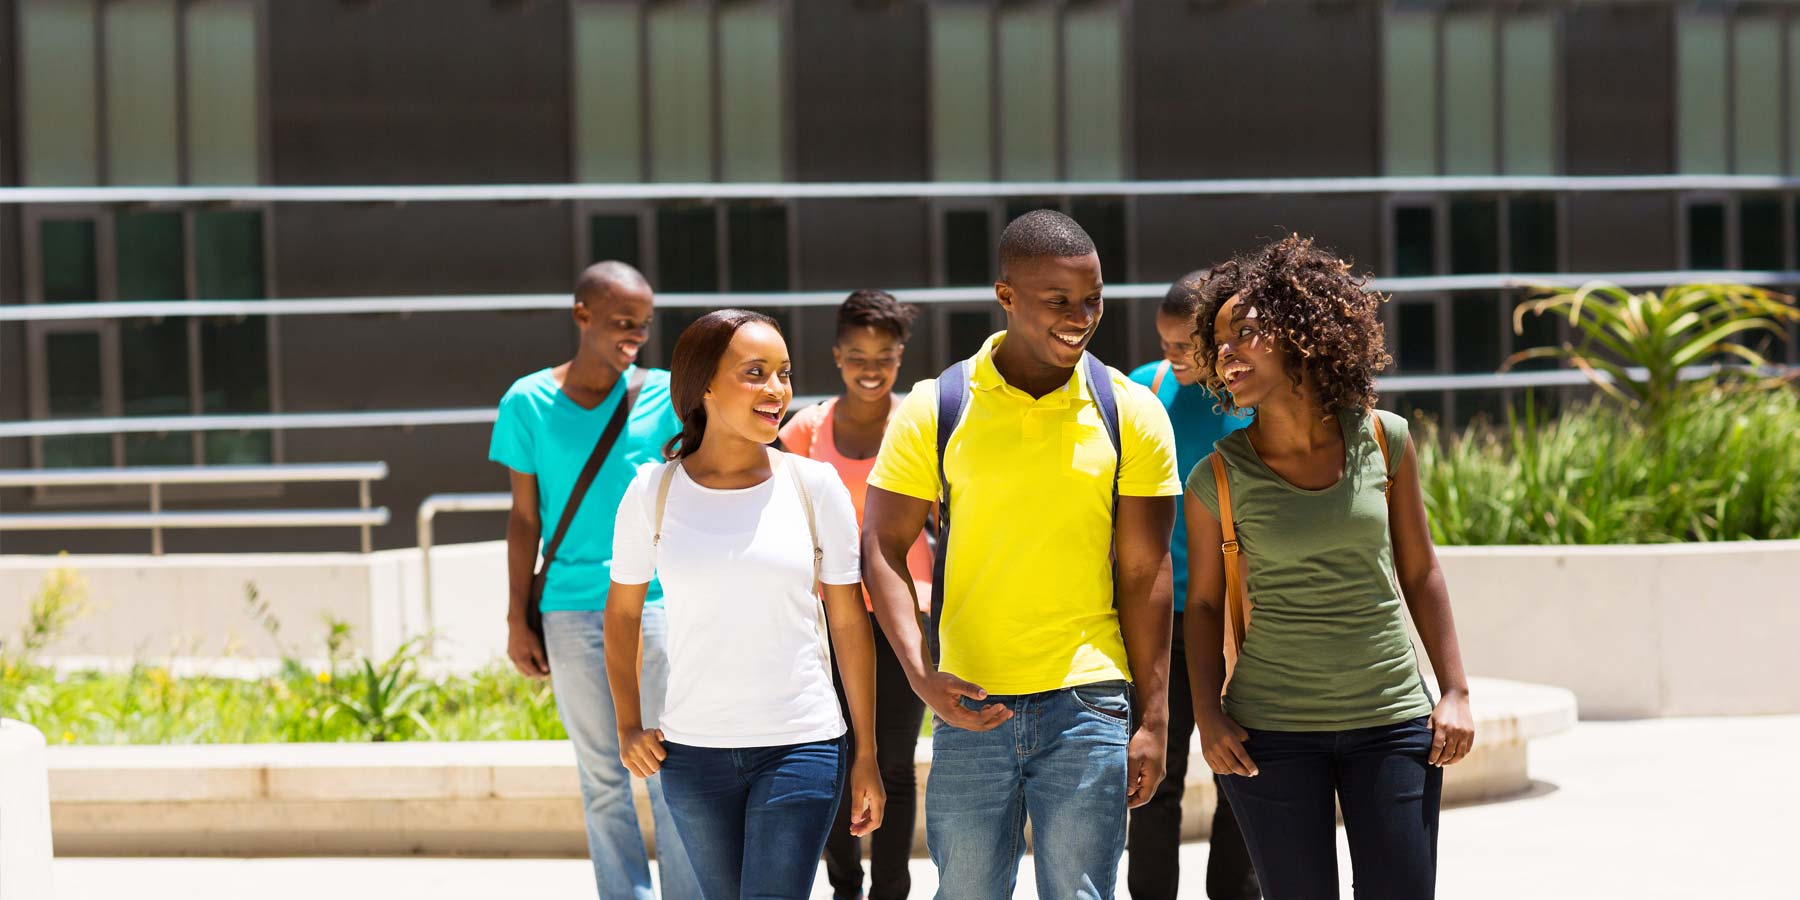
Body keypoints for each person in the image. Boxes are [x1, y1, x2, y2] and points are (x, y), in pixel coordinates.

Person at [862, 210, 1180, 900]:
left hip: (1089, 701)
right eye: (1058, 300)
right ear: (1006, 296)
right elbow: (882, 545)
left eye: (1093, 298)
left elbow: (1146, 571)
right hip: (968, 701)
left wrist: (1153, 719)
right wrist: (921, 674)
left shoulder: (1132, 414)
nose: (1081, 316)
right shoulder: (935, 406)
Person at [1184, 236, 1476, 900]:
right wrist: (1208, 714)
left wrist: (1454, 691)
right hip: (1271, 734)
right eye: (1220, 341)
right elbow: (1200, 607)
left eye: (1247, 333)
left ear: (1303, 334)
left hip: (1393, 720)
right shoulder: (1218, 478)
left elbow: (1421, 570)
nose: (1228, 352)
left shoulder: (1384, 437)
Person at [604, 309, 886, 900]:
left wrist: (867, 754)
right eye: (755, 373)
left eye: (783, 373)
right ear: (703, 383)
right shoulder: (650, 493)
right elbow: (624, 614)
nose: (777, 390)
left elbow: (849, 625)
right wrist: (628, 723)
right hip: (691, 757)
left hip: (803, 744)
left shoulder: (813, 486)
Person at [489, 261, 699, 900]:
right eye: (619, 323)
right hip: (570, 608)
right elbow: (525, 518)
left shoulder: (666, 395)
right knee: (603, 775)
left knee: (670, 768)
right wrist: (516, 617)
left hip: (656, 604)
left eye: (642, 325)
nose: (633, 336)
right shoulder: (527, 402)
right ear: (581, 315)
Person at [778, 290, 933, 900]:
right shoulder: (805, 430)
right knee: (834, 760)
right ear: (837, 356)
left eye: (885, 357)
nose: (871, 369)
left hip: (904, 619)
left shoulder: (919, 424)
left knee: (892, 764)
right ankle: (845, 887)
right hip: (824, 623)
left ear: (900, 357)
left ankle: (890, 890)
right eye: (857, 356)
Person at [1125, 273, 1260, 900]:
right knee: (1157, 776)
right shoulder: (1143, 391)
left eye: (1185, 346)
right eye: (1164, 342)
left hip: (1242, 623)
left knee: (1244, 771)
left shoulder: (1252, 401)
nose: (1173, 357)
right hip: (1163, 618)